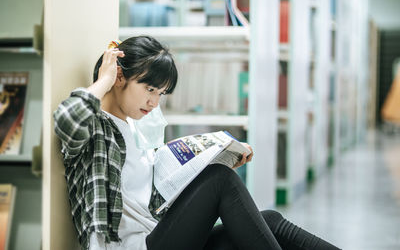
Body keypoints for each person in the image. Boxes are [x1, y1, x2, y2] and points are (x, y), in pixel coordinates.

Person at [54, 36, 341, 250]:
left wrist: (215, 157)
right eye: (149, 88)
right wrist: (104, 80)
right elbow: (66, 120)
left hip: (158, 235)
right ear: (119, 78)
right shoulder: (97, 128)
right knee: (220, 181)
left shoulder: (131, 128)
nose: (154, 102)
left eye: (161, 93)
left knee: (271, 220)